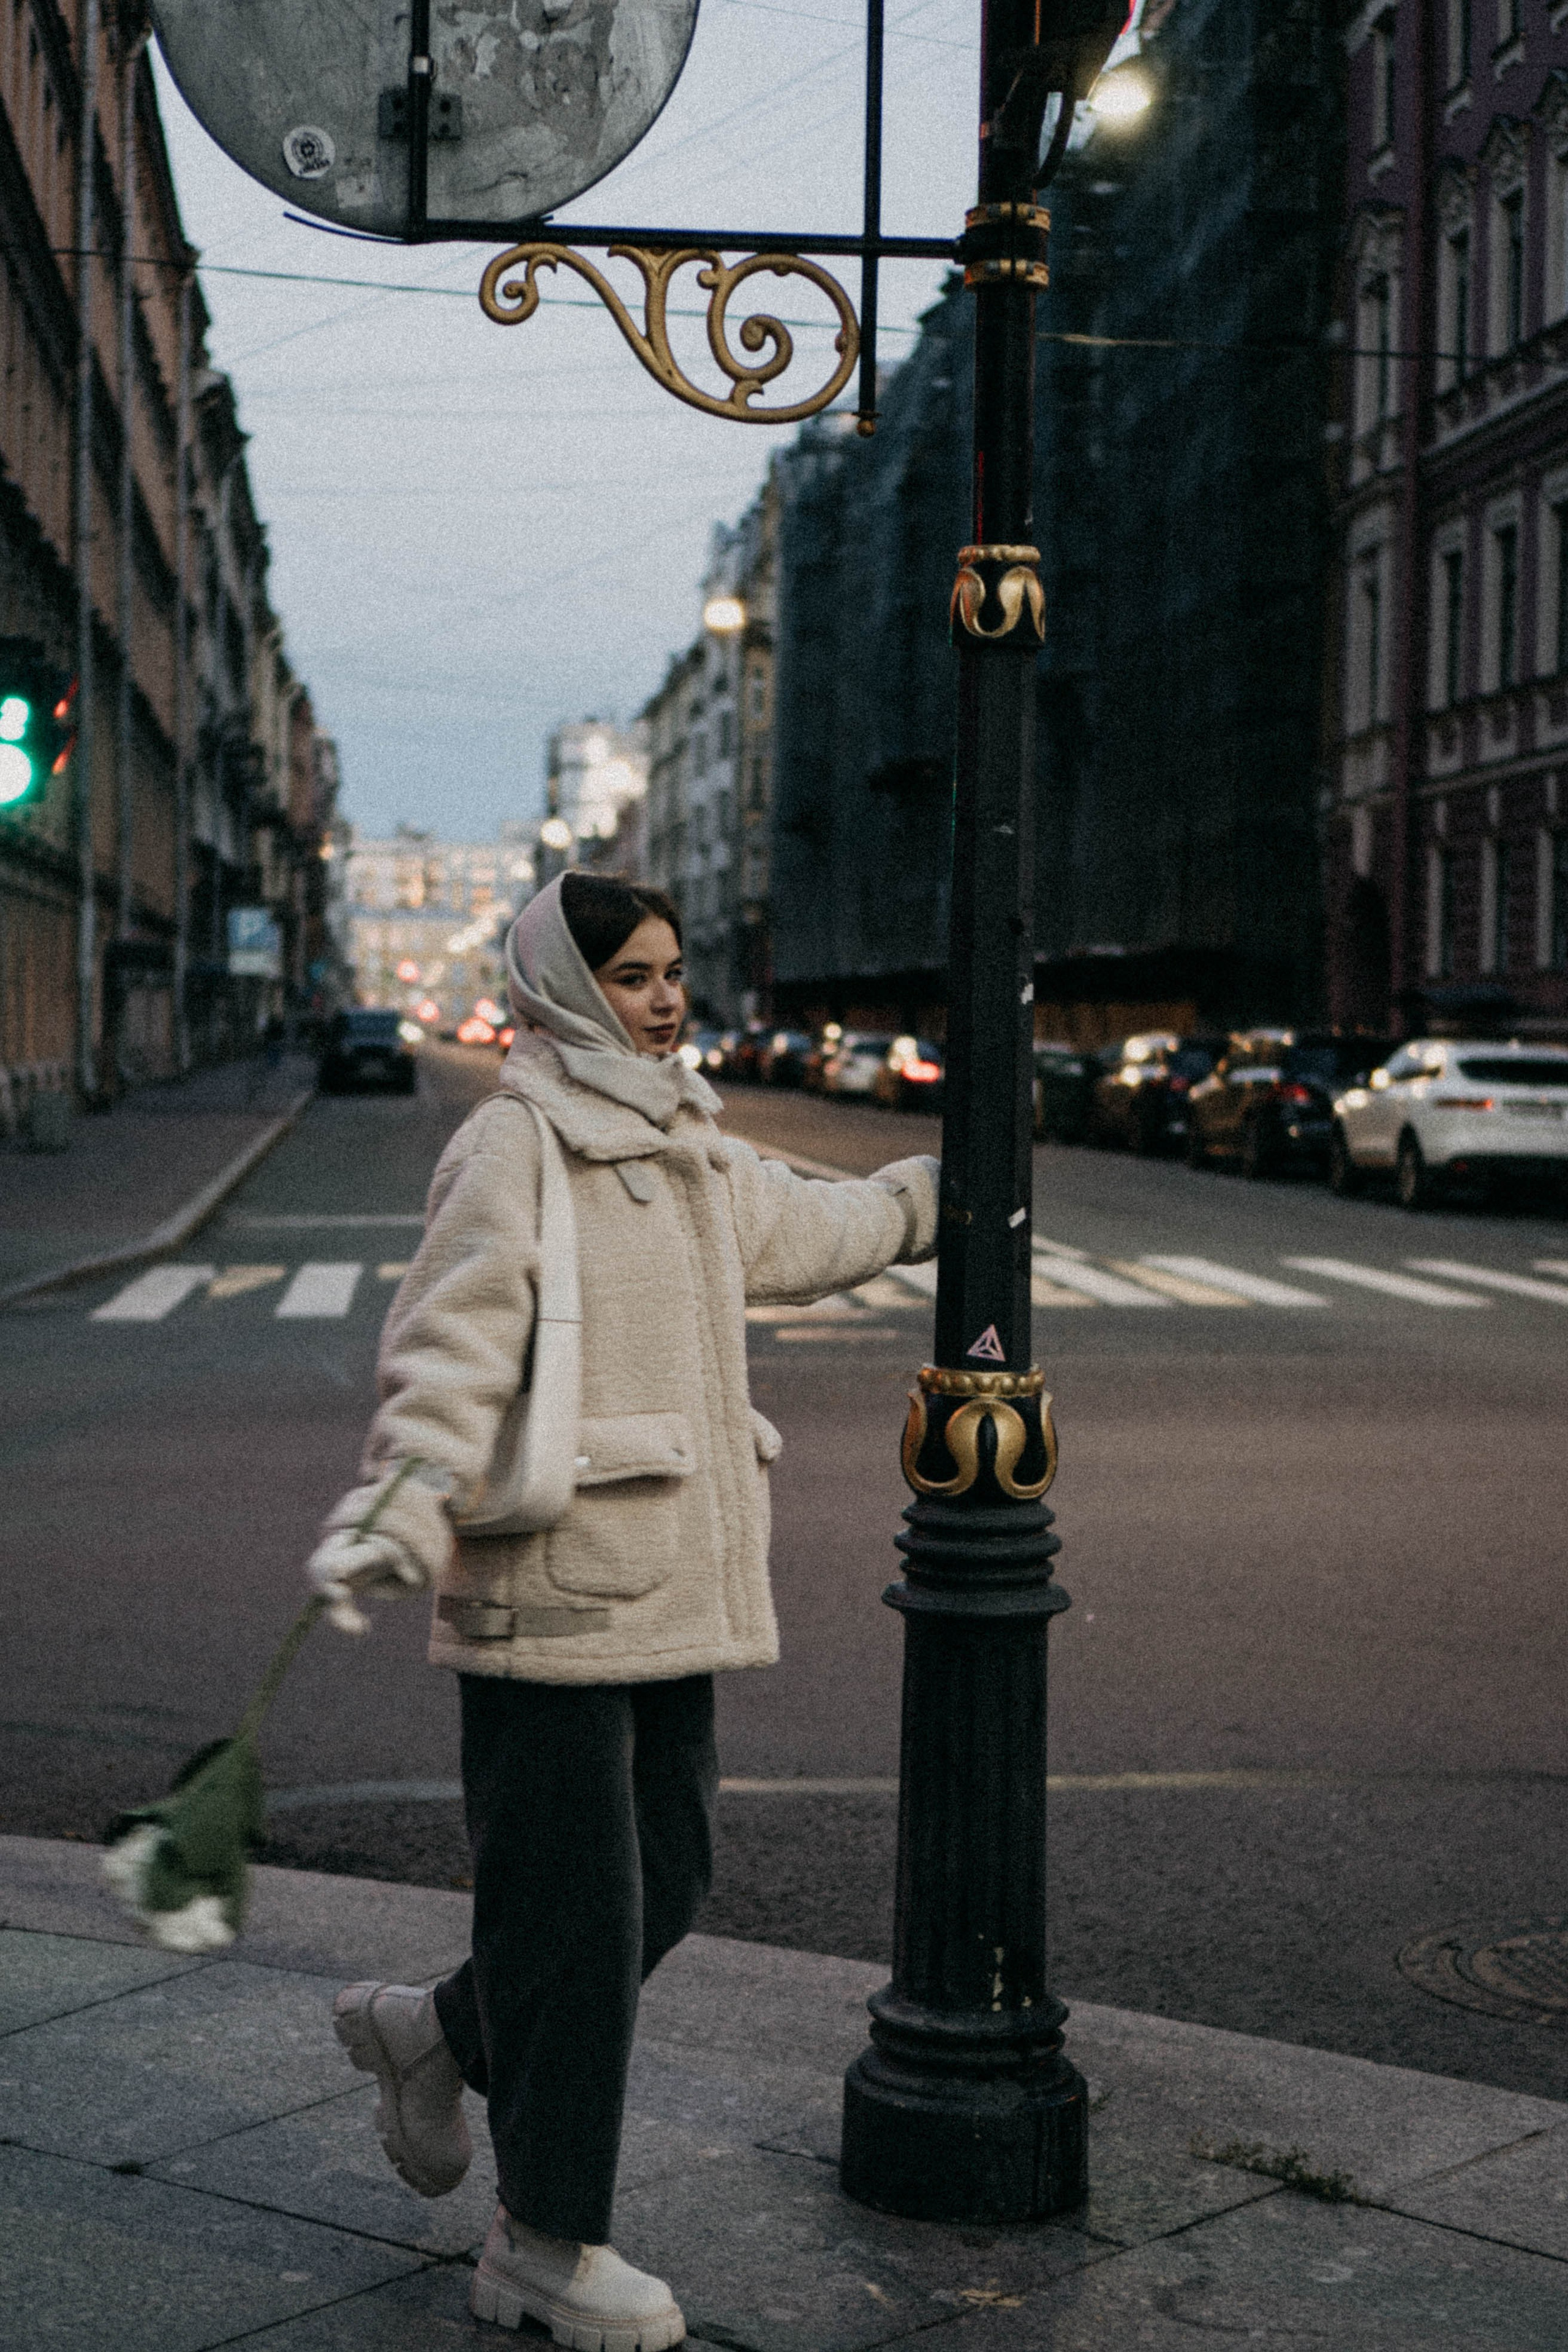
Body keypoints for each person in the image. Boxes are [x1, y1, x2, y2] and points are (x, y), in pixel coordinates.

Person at [306, 871, 938, 2349]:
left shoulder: (685, 1138)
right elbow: (449, 1343)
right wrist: (405, 1495)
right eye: (637, 978)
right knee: (580, 1921)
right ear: (568, 992)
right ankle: (543, 2242)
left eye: (671, 974)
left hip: (673, 1587)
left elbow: (808, 1232)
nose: (666, 1000)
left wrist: (933, 1197)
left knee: (673, 1872)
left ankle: (440, 2031)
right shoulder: (513, 1143)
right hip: (553, 1590)